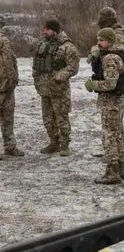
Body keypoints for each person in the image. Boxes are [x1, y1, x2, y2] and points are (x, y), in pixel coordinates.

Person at [84, 28, 124, 184]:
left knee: (109, 135)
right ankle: (121, 167)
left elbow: (110, 84)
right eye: (98, 39)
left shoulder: (110, 58)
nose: (98, 42)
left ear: (109, 41)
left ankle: (112, 171)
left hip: (111, 102)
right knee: (118, 134)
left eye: (101, 40)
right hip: (118, 101)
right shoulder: (118, 54)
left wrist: (93, 84)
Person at [32, 19, 80, 156]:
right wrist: (37, 80)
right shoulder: (43, 44)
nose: (44, 32)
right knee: (47, 119)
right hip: (44, 89)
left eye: (47, 29)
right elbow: (37, 65)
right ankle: (54, 142)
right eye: (44, 29)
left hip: (59, 89)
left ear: (54, 30)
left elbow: (73, 67)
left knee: (61, 118)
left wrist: (60, 75)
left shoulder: (67, 46)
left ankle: (64, 145)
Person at [0, 26, 24, 158]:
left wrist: (14, 79)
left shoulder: (5, 41)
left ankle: (10, 147)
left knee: (8, 118)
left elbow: (11, 61)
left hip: (7, 87)